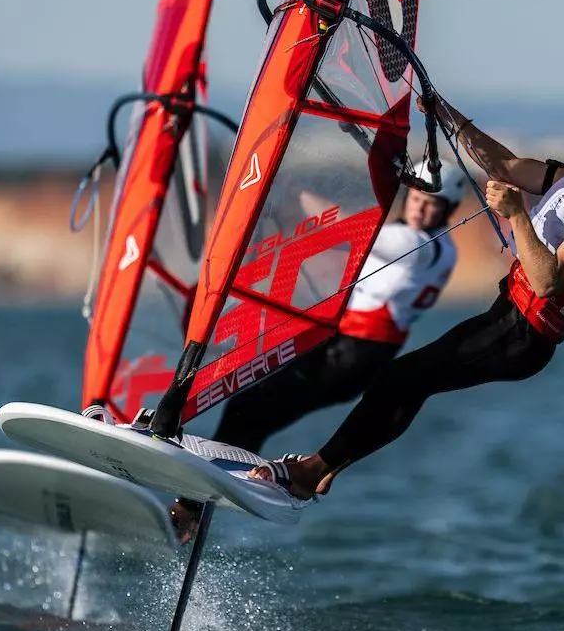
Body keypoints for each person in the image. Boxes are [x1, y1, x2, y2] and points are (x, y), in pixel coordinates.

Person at [243, 103, 564, 501]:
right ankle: (324, 469)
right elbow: (504, 166)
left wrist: (516, 214)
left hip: (524, 336)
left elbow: (548, 282)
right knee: (408, 382)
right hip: (504, 316)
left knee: (404, 378)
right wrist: (444, 113)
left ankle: (311, 471)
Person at [169, 160, 464, 541]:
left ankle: (194, 507)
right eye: (417, 198)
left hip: (351, 356)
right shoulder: (441, 248)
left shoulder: (416, 244)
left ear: (448, 210)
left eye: (432, 204)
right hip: (347, 352)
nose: (421, 209)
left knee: (249, 410)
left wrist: (292, 192)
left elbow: (351, 226)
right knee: (252, 412)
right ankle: (204, 501)